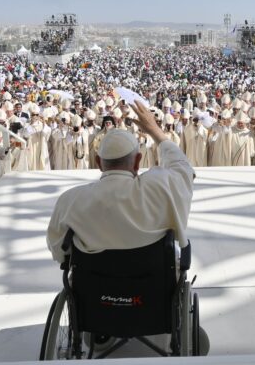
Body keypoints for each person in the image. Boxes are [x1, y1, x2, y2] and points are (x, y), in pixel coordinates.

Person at [46, 101, 195, 262]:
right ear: (138, 161)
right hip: (155, 284)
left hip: (92, 286)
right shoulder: (161, 187)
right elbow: (183, 168)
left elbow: (58, 251)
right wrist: (154, 130)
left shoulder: (70, 201)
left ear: (98, 163)